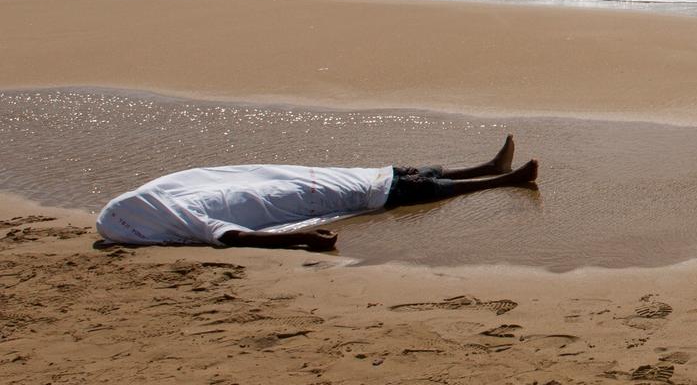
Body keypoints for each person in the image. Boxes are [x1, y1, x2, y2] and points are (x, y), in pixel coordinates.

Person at [96, 136, 539, 253]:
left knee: (400, 174)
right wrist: (302, 239)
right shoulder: (181, 221)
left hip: (280, 186)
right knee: (403, 189)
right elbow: (233, 237)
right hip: (291, 199)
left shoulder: (162, 202)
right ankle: (503, 180)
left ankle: (487, 168)